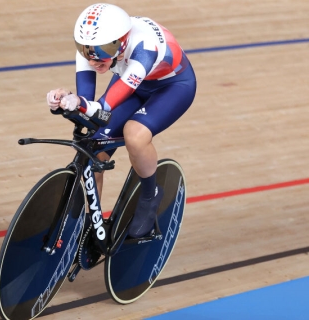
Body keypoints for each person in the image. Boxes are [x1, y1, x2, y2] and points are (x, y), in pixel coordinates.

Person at [46, 3, 196, 238]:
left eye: (103, 50)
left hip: (172, 88)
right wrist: (65, 100)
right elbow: (87, 102)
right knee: (92, 153)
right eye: (87, 51)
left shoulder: (145, 48)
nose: (94, 59)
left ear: (121, 41)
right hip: (132, 81)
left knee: (135, 135)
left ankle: (150, 194)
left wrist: (82, 105)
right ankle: (88, 226)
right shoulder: (91, 47)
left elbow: (103, 108)